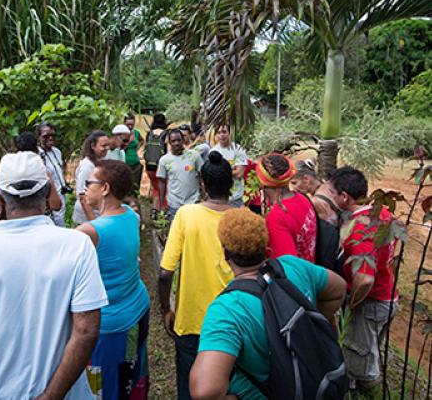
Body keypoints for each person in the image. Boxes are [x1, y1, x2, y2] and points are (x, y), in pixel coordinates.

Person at [0, 151, 108, 399]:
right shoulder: (76, 245)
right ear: (46, 191)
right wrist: (51, 396)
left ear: (0, 197)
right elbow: (86, 330)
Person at [189, 208, 346, 400]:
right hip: (314, 383)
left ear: (224, 252)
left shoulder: (228, 309)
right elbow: (339, 288)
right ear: (266, 245)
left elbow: (204, 391)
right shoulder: (294, 265)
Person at [158, 151, 235, 399]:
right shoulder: (242, 218)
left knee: (189, 386)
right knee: (230, 385)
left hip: (192, 319)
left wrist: (165, 310)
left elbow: (165, 272)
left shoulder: (186, 215)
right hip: (232, 318)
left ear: (201, 184)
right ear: (231, 184)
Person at [77, 160, 150, 399]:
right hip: (137, 308)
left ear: (105, 188)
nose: (85, 188)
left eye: (90, 183)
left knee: (106, 386)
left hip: (109, 324)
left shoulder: (88, 233)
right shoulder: (130, 215)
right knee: (131, 370)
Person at [329, 166, 397, 391]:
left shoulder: (360, 229)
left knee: (361, 360)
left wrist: (354, 303)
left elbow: (365, 280)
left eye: (333, 192)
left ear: (345, 197)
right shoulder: (383, 213)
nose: (331, 196)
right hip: (387, 295)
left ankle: (370, 391)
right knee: (370, 349)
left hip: (371, 302)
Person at [257, 153, 318, 263]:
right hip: (308, 271)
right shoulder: (302, 199)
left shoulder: (276, 217)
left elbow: (287, 265)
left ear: (262, 183)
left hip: (295, 278)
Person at [157, 129, 204, 221]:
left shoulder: (194, 156)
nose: (176, 143)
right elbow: (162, 182)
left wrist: (204, 194)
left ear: (183, 140)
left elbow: (202, 176)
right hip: (174, 204)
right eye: (173, 141)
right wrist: (162, 203)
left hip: (193, 202)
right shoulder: (164, 160)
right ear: (169, 142)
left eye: (179, 140)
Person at [15, 132, 62, 214]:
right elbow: (56, 205)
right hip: (39, 218)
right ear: (36, 149)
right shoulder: (42, 172)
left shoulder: (10, 172)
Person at [73, 130, 110, 224]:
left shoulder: (103, 160)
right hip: (86, 217)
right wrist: (94, 223)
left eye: (107, 145)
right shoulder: (87, 166)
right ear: (93, 146)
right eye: (103, 146)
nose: (107, 148)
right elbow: (82, 197)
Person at [291, 159, 341, 226]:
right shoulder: (329, 186)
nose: (294, 189)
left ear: (306, 179)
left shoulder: (315, 202)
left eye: (294, 183)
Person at [37, 122, 68, 227]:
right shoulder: (37, 155)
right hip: (49, 200)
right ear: (39, 137)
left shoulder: (57, 152)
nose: (50, 138)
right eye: (46, 136)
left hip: (61, 196)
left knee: (61, 223)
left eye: (53, 136)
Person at [211, 124, 247, 207]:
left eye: (224, 132)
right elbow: (213, 174)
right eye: (219, 132)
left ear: (230, 133)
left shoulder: (238, 149)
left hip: (235, 197)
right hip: (219, 197)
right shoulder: (213, 151)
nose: (221, 135)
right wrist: (231, 170)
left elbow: (239, 174)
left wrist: (219, 170)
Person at [144, 113, 168, 220]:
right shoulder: (166, 134)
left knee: (155, 189)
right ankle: (163, 211)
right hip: (161, 165)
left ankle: (154, 210)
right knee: (164, 189)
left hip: (149, 166)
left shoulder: (149, 134)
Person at [124, 114, 145, 194]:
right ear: (124, 123)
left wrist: (137, 149)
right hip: (125, 163)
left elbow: (142, 140)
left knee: (135, 186)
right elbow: (120, 149)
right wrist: (128, 141)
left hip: (136, 163)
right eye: (128, 124)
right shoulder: (122, 134)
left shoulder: (136, 132)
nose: (130, 126)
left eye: (132, 124)